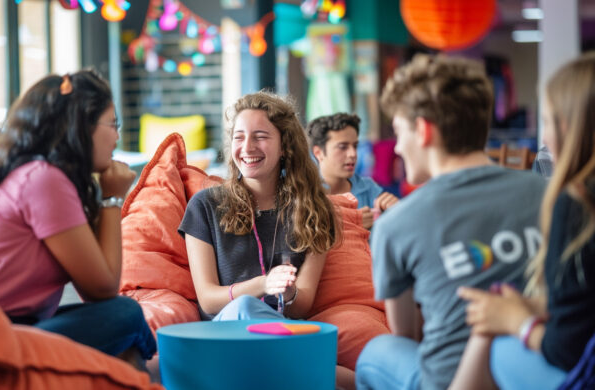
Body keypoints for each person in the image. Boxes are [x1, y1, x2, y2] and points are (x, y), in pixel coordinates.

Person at [354, 54, 546, 390]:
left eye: (399, 132)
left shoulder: (396, 224)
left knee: (379, 350)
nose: (397, 147)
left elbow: (407, 336)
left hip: (448, 380)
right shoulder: (548, 193)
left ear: (424, 130)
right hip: (539, 366)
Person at [0, 70, 156, 367]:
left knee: (123, 330)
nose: (117, 136)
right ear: (81, 127)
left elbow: (96, 291)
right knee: (125, 315)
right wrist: (112, 198)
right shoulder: (43, 181)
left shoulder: (39, 176)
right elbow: (104, 289)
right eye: (113, 124)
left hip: (2, 325)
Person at [451, 53, 595, 390]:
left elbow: (566, 350)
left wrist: (517, 321)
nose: (543, 139)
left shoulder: (578, 204)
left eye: (549, 122)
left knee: (494, 347)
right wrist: (537, 307)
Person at [179, 90, 339, 322]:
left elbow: (302, 305)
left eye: (260, 136)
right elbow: (208, 299)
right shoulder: (204, 206)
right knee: (244, 307)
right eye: (239, 137)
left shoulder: (315, 210)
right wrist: (264, 284)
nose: (247, 147)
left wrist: (288, 291)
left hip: (280, 331)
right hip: (227, 333)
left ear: (285, 146)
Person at [306, 113, 398, 229]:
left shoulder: (368, 189)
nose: (353, 154)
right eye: (343, 147)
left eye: (355, 146)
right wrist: (351, 225)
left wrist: (396, 211)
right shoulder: (305, 193)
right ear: (318, 153)